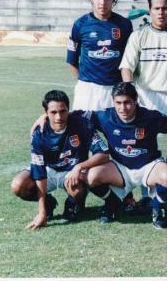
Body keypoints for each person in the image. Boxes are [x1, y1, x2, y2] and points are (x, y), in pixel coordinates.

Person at [84, 82, 167, 229]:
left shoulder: (150, 117)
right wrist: (45, 117)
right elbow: (75, 118)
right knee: (90, 177)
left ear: (136, 100)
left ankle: (156, 206)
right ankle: (113, 202)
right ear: (113, 101)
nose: (123, 108)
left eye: (127, 102)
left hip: (148, 165)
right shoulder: (105, 116)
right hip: (120, 167)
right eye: (118, 103)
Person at [11, 90, 108, 229]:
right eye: (53, 112)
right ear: (46, 113)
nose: (58, 117)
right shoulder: (39, 133)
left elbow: (104, 153)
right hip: (48, 170)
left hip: (72, 171)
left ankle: (74, 203)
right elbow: (39, 173)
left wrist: (79, 167)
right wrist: (42, 211)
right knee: (18, 185)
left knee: (77, 188)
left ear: (69, 110)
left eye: (63, 111)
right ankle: (49, 203)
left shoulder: (82, 123)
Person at [66, 0, 133, 111]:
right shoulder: (80, 24)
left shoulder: (124, 25)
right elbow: (71, 60)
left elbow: (130, 59)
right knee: (83, 129)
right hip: (87, 90)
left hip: (115, 89)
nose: (103, 2)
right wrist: (84, 81)